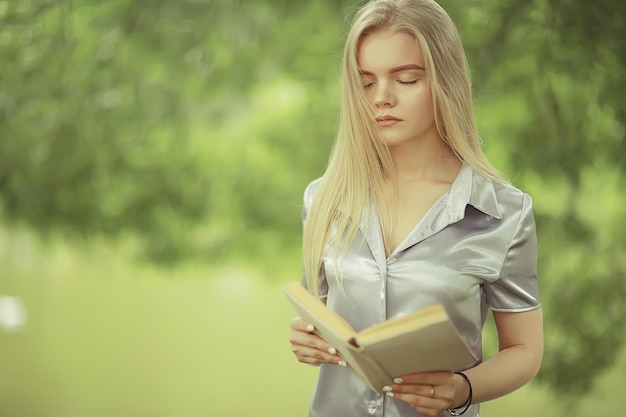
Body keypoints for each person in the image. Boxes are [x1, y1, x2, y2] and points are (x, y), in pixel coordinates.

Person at [288, 0, 544, 416]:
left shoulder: (503, 213)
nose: (381, 98)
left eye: (405, 79)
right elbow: (320, 318)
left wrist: (462, 389)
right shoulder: (323, 199)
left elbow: (525, 350)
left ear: (445, 82)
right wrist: (305, 338)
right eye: (367, 82)